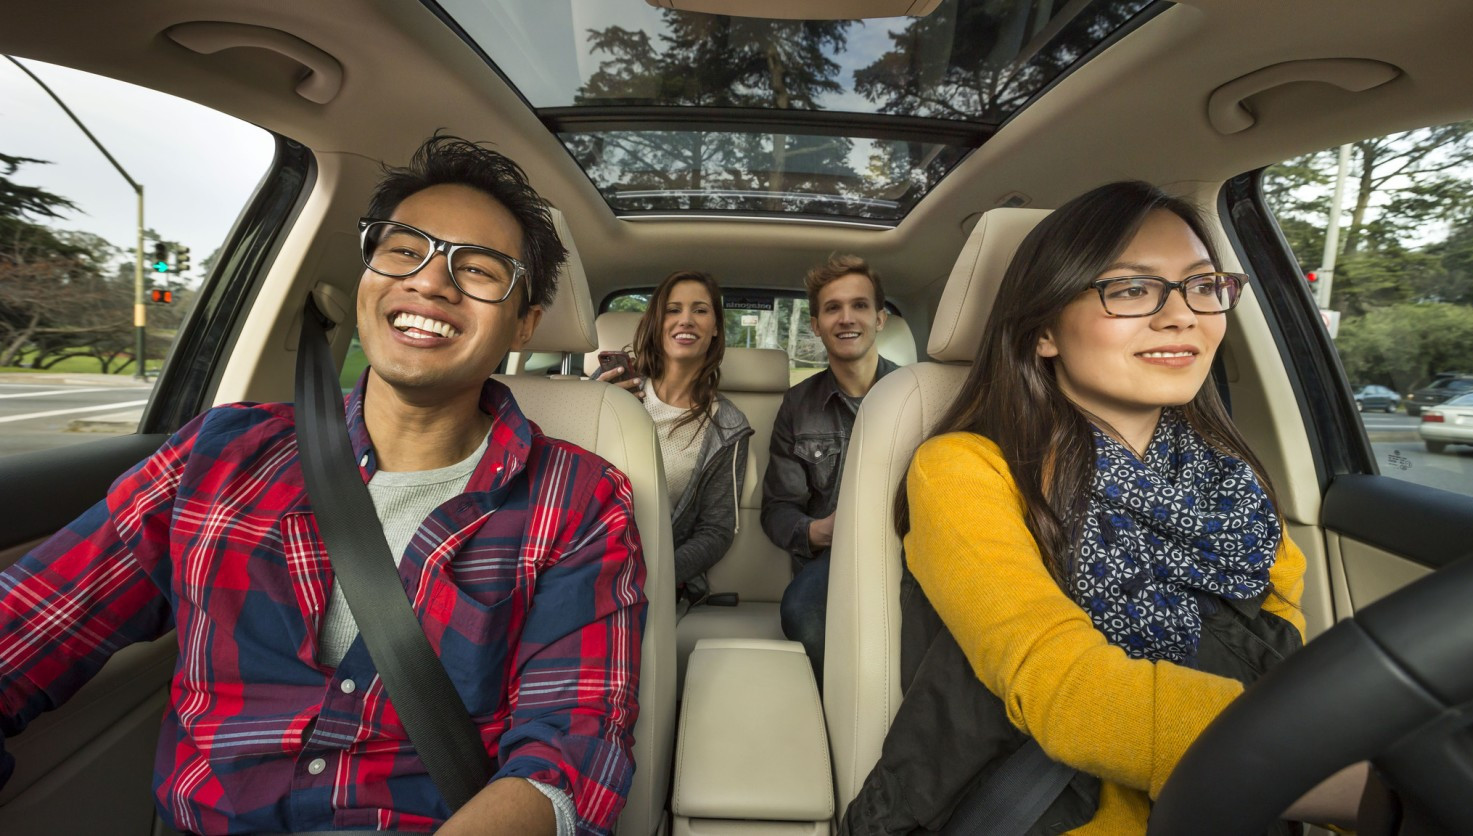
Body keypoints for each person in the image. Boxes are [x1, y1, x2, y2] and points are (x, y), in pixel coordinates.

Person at [0, 135, 648, 836]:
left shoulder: (578, 500)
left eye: (481, 268)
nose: (430, 281)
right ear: (368, 273)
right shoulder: (217, 455)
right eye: (405, 250)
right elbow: (30, 627)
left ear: (523, 322)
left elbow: (570, 752)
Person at [845, 182, 1363, 833]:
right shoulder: (965, 469)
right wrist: (1359, 782)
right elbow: (1069, 692)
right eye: (1131, 289)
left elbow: (1283, 658)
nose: (1182, 316)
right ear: (1043, 332)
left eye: (1203, 286)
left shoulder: (1236, 485)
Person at [761, 254, 897, 685]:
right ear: (816, 325)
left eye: (859, 305)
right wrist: (821, 531)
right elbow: (778, 508)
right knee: (801, 610)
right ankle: (836, 713)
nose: (846, 318)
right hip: (833, 561)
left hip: (914, 554)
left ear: (880, 319)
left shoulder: (915, 392)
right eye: (832, 308)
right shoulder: (797, 405)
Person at [597, 271, 750, 611]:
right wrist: (597, 406)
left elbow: (716, 531)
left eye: (700, 310)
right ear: (657, 323)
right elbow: (562, 477)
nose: (686, 320)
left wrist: (653, 574)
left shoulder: (729, 426)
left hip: (649, 579)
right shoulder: (612, 388)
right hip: (580, 554)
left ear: (715, 330)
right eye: (673, 309)